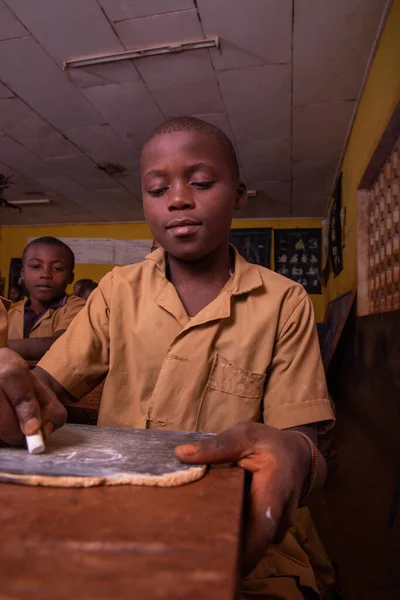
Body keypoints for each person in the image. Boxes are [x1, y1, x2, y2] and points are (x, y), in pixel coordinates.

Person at [0, 117, 334, 599]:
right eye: (157, 188)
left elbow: (308, 453)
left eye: (200, 183)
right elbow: (43, 392)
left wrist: (298, 456)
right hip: (111, 516)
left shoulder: (284, 301)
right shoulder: (118, 290)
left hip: (238, 533)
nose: (178, 198)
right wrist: (18, 401)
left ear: (239, 194)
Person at [7, 237, 85, 361]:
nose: (45, 274)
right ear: (22, 274)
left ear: (71, 277)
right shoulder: (10, 312)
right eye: (36, 266)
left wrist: (3, 346)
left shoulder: (77, 307)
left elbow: (60, 345)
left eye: (57, 268)